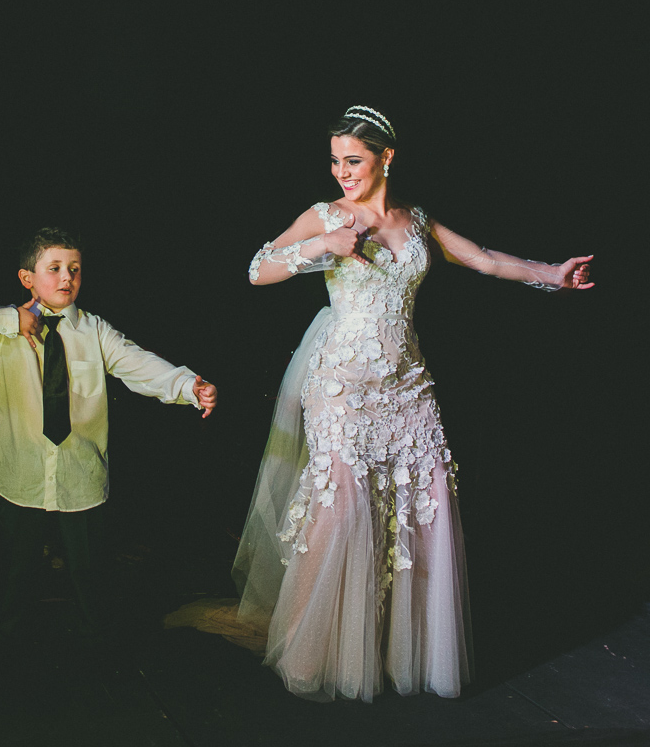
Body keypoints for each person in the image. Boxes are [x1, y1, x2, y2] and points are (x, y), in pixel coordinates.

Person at [166, 105, 593, 702]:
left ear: (386, 156)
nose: (343, 171)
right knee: (341, 511)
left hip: (407, 389)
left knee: (423, 507)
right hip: (341, 386)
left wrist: (552, 274)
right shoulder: (327, 216)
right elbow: (257, 269)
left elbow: (485, 259)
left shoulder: (415, 221)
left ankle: (398, 649)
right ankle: (314, 650)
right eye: (336, 160)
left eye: (354, 160)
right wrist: (324, 245)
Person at [0, 227, 218, 639]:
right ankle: (0, 648)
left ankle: (102, 648)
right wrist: (8, 318)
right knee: (13, 572)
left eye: (74, 269)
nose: (66, 278)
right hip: (18, 473)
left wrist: (188, 386)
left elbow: (138, 362)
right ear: (27, 278)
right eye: (53, 269)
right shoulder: (6, 333)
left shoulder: (94, 331)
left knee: (89, 575)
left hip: (80, 476)